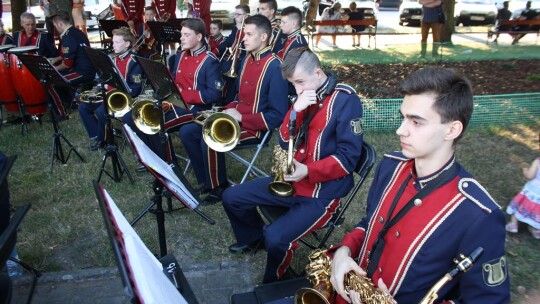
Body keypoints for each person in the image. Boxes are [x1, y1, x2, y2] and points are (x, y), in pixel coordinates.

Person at [315, 67, 509, 304]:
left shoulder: (479, 215)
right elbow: (370, 223)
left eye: (416, 122)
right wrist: (344, 252)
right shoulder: (390, 166)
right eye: (403, 117)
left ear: (452, 129)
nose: (400, 130)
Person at [222, 47, 363, 284]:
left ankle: (275, 280)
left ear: (318, 73)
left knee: (276, 237)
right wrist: (295, 111)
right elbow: (283, 139)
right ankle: (254, 238)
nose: (297, 90)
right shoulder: (304, 95)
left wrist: (308, 170)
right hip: (292, 182)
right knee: (231, 196)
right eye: (292, 84)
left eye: (300, 82)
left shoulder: (346, 100)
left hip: (323, 193)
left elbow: (347, 159)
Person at [180, 14, 289, 204]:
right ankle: (205, 180)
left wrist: (240, 118)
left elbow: (278, 116)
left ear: (263, 37)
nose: (243, 38)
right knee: (188, 131)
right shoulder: (247, 59)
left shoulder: (275, 67)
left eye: (248, 34)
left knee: (209, 139)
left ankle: (219, 186)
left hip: (255, 129)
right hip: (235, 118)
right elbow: (238, 97)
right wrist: (224, 110)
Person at [123, 18, 222, 163]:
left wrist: (181, 95)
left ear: (199, 37)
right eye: (181, 34)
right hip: (174, 102)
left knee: (155, 124)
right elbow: (174, 80)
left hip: (195, 108)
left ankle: (168, 164)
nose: (181, 38)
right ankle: (153, 157)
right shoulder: (180, 55)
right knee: (130, 118)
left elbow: (214, 94)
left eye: (186, 35)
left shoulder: (210, 60)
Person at [81, 27, 144, 151]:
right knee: (83, 106)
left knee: (101, 111)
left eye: (117, 42)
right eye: (113, 42)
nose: (113, 45)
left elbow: (135, 89)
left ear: (127, 44)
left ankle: (103, 141)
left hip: (124, 100)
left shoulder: (134, 62)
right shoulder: (113, 59)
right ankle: (97, 134)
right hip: (110, 95)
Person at [50, 11, 96, 117]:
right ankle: (72, 101)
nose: (55, 29)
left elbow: (67, 64)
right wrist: (56, 58)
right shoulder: (77, 32)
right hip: (89, 69)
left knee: (52, 81)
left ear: (60, 24)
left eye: (55, 26)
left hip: (82, 72)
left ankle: (62, 113)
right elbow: (74, 53)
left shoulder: (68, 37)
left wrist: (53, 69)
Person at [506, 136, 540, 239]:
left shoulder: (538, 161)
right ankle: (536, 229)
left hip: (534, 190)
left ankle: (514, 224)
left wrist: (525, 170)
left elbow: (530, 176)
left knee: (520, 206)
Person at [217, 4, 250, 104]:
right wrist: (216, 50)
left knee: (230, 74)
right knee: (219, 67)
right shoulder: (236, 28)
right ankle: (221, 97)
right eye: (235, 14)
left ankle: (230, 101)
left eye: (238, 14)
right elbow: (228, 42)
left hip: (243, 59)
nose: (235, 17)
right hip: (233, 58)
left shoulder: (248, 29)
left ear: (246, 16)